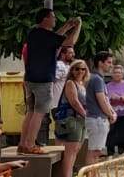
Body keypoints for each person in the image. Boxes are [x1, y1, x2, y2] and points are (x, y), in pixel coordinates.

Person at [19, 9, 82, 155]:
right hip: (43, 79)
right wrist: (78, 26)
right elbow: (70, 42)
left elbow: (55, 37)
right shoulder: (46, 35)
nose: (55, 19)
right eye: (53, 17)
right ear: (45, 19)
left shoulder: (34, 33)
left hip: (30, 78)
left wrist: (67, 26)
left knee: (30, 111)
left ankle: (22, 143)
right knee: (39, 112)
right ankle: (30, 144)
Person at [52, 58, 93, 177]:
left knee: (75, 150)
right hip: (71, 120)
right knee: (70, 151)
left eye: (83, 69)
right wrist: (86, 115)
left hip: (80, 120)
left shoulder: (82, 84)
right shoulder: (70, 83)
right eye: (77, 69)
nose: (80, 71)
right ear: (72, 70)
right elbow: (74, 102)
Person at [103, 61, 124, 155]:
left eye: (119, 72)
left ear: (123, 74)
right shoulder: (107, 86)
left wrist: (120, 98)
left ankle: (121, 151)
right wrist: (111, 99)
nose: (117, 74)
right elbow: (105, 99)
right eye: (115, 72)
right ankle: (110, 151)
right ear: (111, 74)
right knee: (111, 131)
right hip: (112, 112)